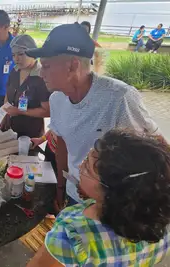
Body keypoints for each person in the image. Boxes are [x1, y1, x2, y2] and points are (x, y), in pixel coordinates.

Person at [26, 23, 162, 211]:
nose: (41, 73)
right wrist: (61, 187)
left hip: (113, 206)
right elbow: (62, 145)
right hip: (74, 192)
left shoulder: (119, 97)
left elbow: (158, 150)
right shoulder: (56, 99)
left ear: (72, 66)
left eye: (46, 66)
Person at [27, 130, 170, 266]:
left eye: (88, 167)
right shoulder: (161, 230)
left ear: (111, 192)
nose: (80, 165)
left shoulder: (70, 237)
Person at [3, 35, 50, 138]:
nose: (16, 59)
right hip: (13, 128)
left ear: (32, 53)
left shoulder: (41, 77)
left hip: (32, 132)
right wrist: (5, 113)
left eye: (20, 54)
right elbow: (7, 93)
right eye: (13, 55)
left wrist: (21, 111)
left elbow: (47, 111)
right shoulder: (15, 71)